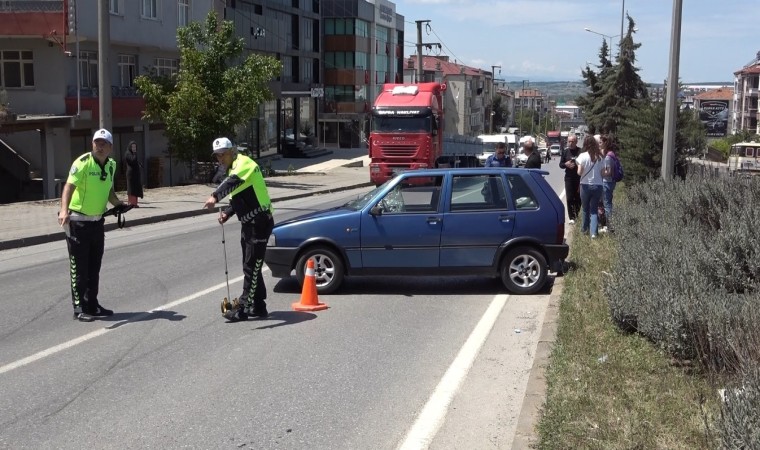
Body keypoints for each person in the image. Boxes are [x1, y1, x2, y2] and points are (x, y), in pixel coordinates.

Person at [203, 137, 274, 322]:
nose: (220, 159)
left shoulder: (243, 163)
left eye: (223, 154)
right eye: (217, 156)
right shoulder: (234, 167)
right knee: (250, 265)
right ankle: (259, 306)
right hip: (250, 223)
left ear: (232, 151)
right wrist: (227, 213)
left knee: (252, 266)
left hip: (260, 222)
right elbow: (238, 196)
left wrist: (215, 197)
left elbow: (232, 183)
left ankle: (243, 308)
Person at [59, 128, 126, 321]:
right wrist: (64, 210)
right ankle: (79, 309)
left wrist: (119, 205)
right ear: (92, 144)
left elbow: (109, 192)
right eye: (97, 143)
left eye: (104, 143)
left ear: (111, 147)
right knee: (79, 269)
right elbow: (68, 187)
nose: (100, 146)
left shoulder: (112, 165)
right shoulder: (82, 163)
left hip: (97, 223)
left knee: (94, 268)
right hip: (78, 224)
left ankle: (92, 305)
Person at [576, 136, 604, 238]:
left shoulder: (582, 156)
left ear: (586, 144)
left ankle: (584, 230)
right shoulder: (600, 157)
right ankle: (593, 233)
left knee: (585, 209)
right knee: (594, 209)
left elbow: (579, 172)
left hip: (585, 185)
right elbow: (603, 173)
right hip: (598, 185)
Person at [559, 135, 582, 224]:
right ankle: (571, 217)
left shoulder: (580, 151)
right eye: (569, 141)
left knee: (578, 198)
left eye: (572, 141)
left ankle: (577, 214)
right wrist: (566, 164)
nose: (570, 143)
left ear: (576, 142)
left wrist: (577, 165)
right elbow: (560, 165)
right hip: (569, 178)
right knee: (569, 198)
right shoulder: (565, 152)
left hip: (579, 178)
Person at [600, 134, 617, 233]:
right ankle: (610, 225)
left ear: (606, 143)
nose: (600, 144)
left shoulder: (608, 157)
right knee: (608, 204)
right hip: (610, 182)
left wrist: (600, 172)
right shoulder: (612, 154)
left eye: (601, 142)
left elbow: (609, 172)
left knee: (607, 205)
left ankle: (609, 227)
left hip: (607, 182)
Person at [124, 140, 143, 207]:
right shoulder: (128, 153)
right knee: (132, 188)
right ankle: (132, 203)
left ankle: (135, 203)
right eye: (132, 147)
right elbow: (132, 160)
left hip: (136, 174)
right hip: (131, 174)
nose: (134, 148)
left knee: (136, 188)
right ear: (130, 147)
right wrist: (135, 154)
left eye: (135, 147)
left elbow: (135, 161)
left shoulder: (133, 154)